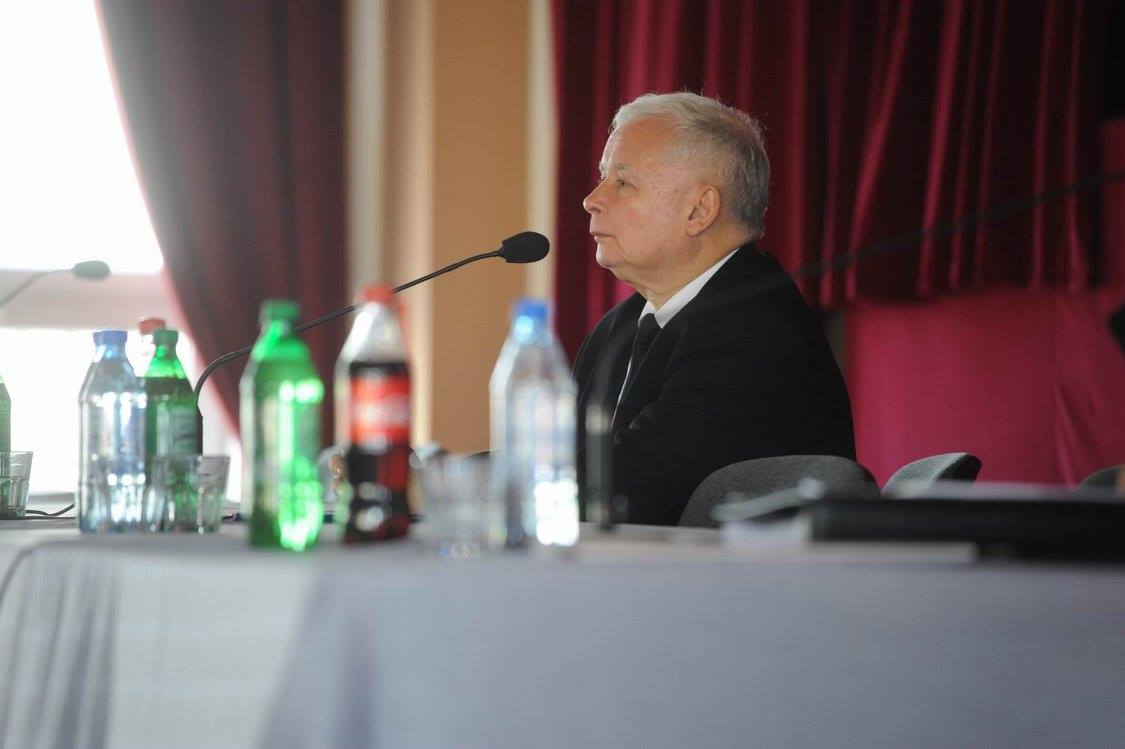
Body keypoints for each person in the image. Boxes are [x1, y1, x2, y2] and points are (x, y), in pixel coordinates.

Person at [574, 92, 855, 526]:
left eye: (623, 183)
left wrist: (471, 484)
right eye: (602, 177)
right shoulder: (619, 327)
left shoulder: (755, 333)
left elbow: (633, 487)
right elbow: (559, 462)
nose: (592, 199)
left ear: (699, 210)